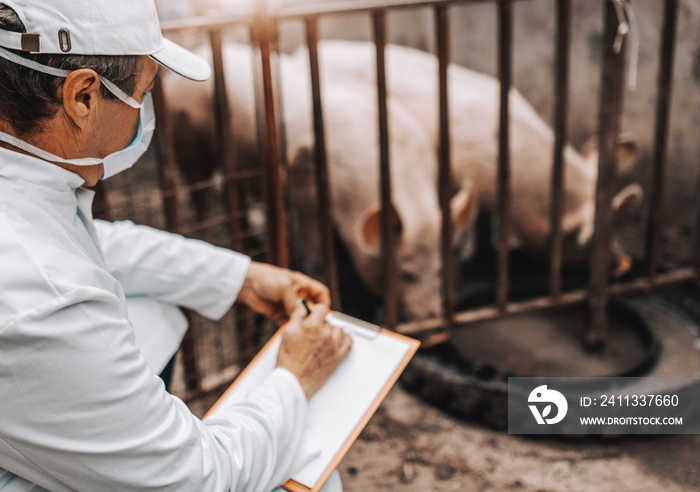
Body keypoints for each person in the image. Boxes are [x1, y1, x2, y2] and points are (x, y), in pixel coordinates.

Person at [0, 1, 352, 491]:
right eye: (142, 93)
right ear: (82, 97)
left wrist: (242, 277)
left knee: (156, 312)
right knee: (307, 474)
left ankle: (126, 429)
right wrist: (295, 376)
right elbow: (195, 479)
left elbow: (94, 246)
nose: (144, 112)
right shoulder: (43, 294)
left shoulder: (23, 205)